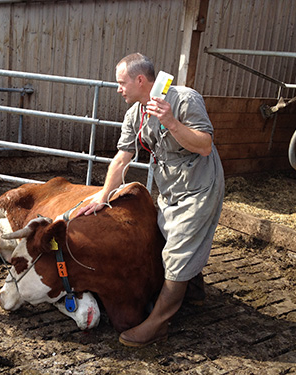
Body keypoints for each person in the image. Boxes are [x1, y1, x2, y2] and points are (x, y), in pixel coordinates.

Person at [77, 53, 225, 347]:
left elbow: (205, 145)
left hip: (199, 186)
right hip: (170, 187)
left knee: (177, 251)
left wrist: (171, 121)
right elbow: (122, 158)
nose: (119, 89)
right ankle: (193, 291)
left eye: (122, 83)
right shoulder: (135, 114)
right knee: (168, 235)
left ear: (140, 80)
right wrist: (104, 195)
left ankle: (158, 325)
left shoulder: (184, 99)